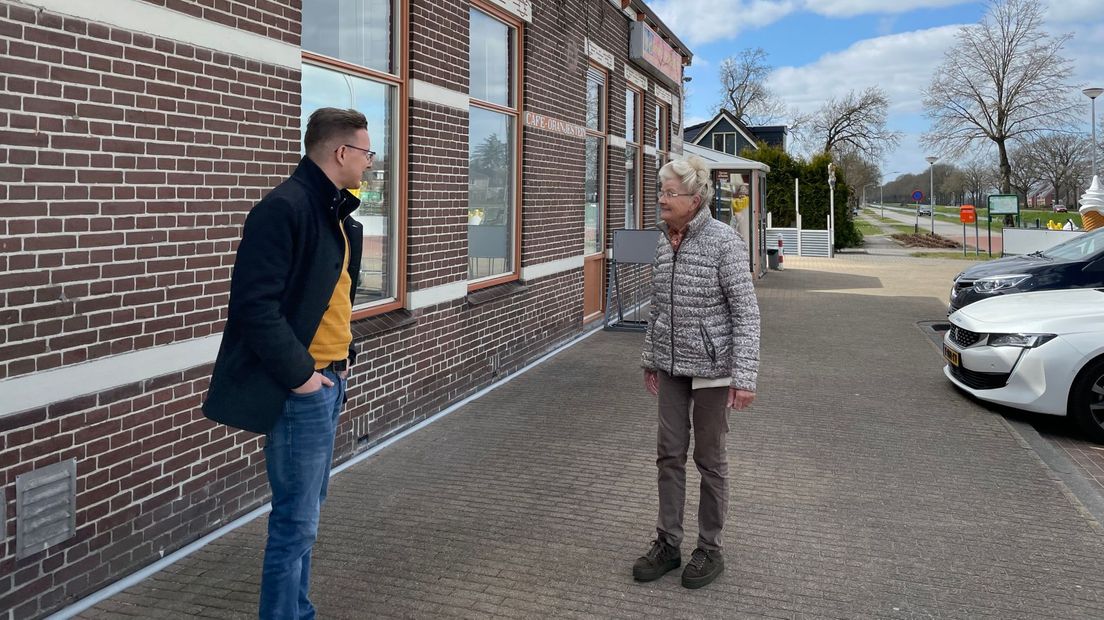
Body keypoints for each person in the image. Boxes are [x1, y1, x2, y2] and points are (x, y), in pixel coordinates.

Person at [202, 107, 372, 619]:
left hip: (328, 381)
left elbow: (331, 297)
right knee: (295, 523)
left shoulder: (335, 215)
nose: (369, 163)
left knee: (307, 518)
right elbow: (255, 307)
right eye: (366, 152)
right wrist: (302, 379)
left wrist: (338, 367)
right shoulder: (285, 208)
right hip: (304, 390)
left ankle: (298, 610)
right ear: (341, 152)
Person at [636, 155, 761, 589]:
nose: (662, 199)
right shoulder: (660, 240)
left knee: (710, 461)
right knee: (668, 454)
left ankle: (709, 548)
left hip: (713, 368)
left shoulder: (724, 241)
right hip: (671, 367)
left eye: (670, 192)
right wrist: (652, 359)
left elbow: (747, 313)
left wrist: (744, 377)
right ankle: (667, 543)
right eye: (661, 191)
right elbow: (658, 310)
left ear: (695, 199)